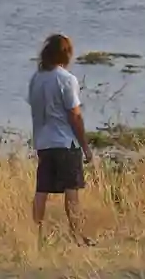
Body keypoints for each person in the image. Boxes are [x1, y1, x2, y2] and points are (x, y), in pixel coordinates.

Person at [27, 33, 93, 244]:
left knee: (42, 189)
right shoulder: (67, 79)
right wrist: (85, 146)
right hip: (65, 142)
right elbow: (74, 114)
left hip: (43, 142)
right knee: (71, 190)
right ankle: (77, 235)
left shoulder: (36, 79)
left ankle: (36, 235)